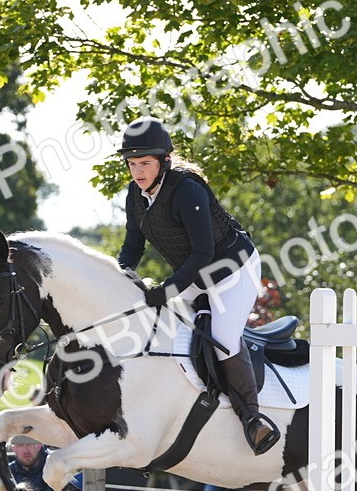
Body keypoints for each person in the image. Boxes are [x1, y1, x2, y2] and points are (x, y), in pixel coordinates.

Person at [114, 117, 279, 455]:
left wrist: (169, 289)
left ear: (163, 162)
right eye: (132, 164)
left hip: (233, 270)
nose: (138, 172)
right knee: (159, 330)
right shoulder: (135, 195)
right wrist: (119, 273)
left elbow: (204, 251)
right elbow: (133, 247)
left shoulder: (187, 190)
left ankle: (253, 418)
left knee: (221, 339)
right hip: (195, 274)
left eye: (145, 163)